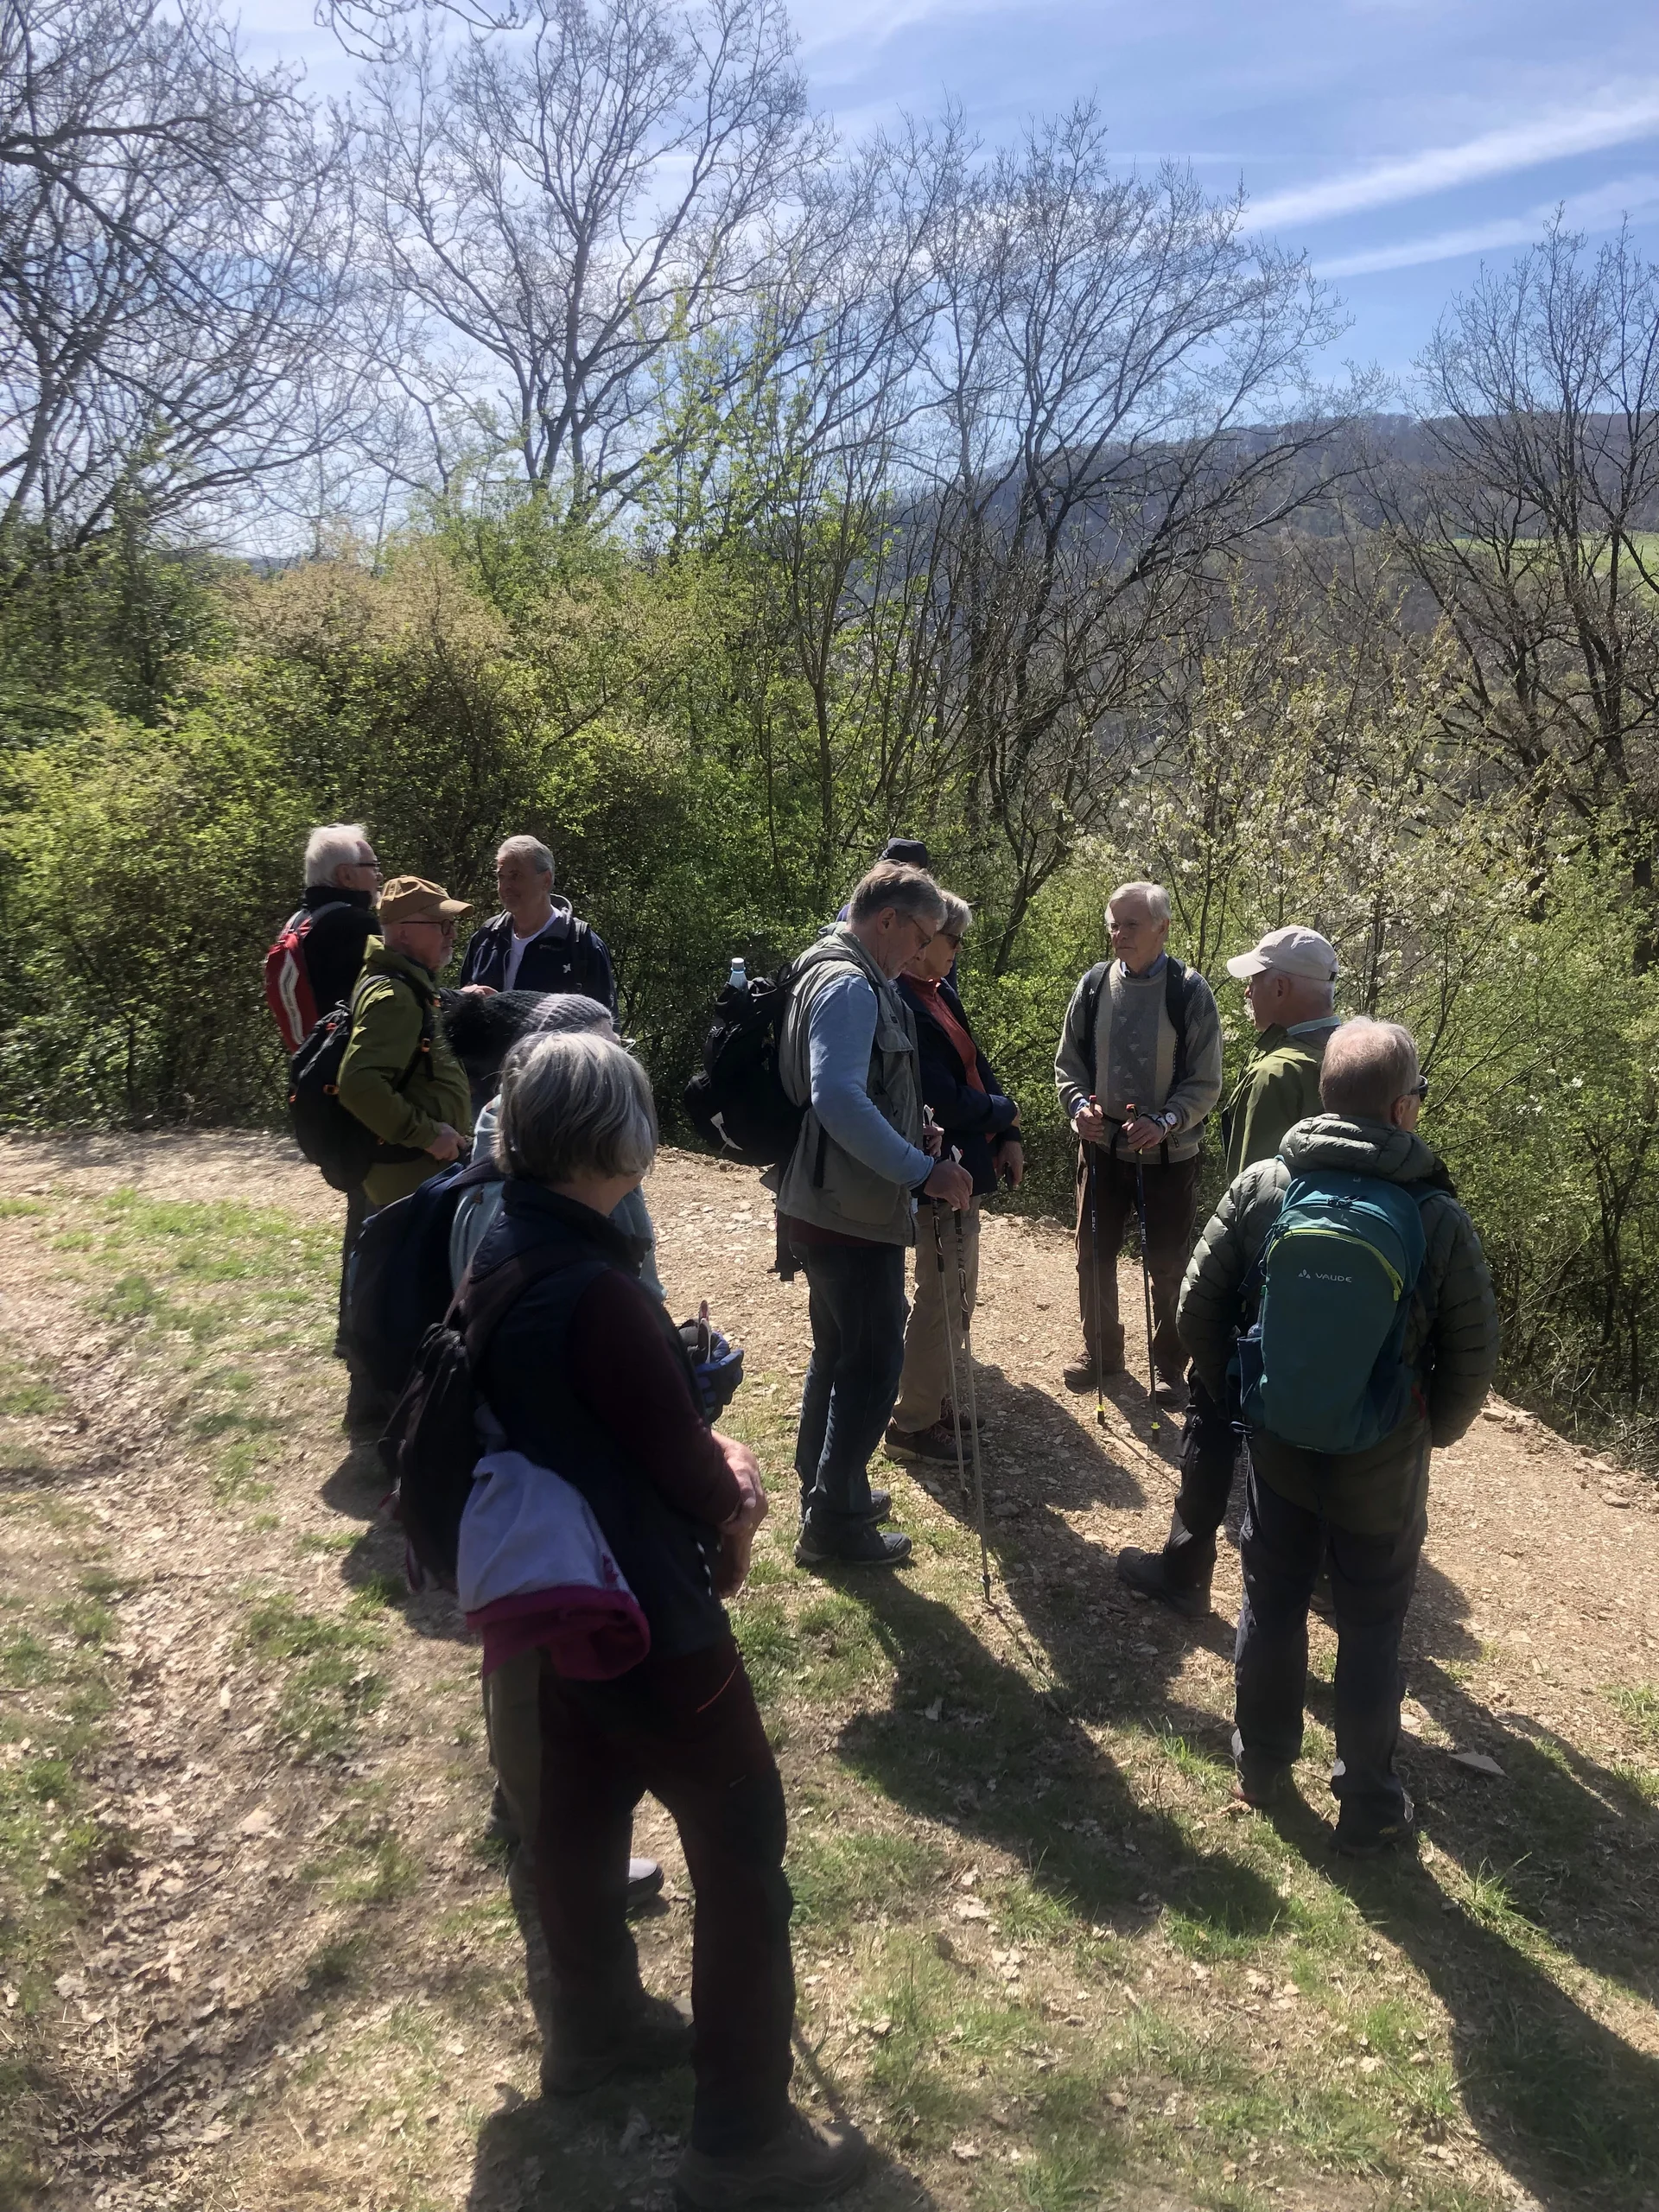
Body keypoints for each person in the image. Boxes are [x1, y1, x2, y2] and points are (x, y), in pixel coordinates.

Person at [471, 1031, 868, 2205]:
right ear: (617, 1140)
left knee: (582, 1818)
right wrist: (735, 1479)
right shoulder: (598, 1292)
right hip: (651, 1614)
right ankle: (743, 2140)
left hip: (558, 1601)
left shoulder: (500, 1245)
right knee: (744, 1845)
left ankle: (589, 2034)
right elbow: (687, 1471)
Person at [1176, 1018, 1498, 1854]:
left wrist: (1243, 1391)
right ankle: (1367, 1803)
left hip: (1279, 1443)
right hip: (1383, 1461)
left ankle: (1260, 1766)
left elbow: (1195, 1308)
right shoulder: (1434, 1212)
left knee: (1272, 1601)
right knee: (1370, 1626)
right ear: (1401, 1108)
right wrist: (1435, 1431)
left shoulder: (1263, 1185)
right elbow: (1471, 1352)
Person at [1117, 924, 1343, 1614]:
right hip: (1338, 1287)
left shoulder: (1279, 1072)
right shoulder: (1358, 1051)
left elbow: (1255, 1197)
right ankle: (1327, 1571)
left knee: (1213, 1422)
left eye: (1253, 980)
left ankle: (1185, 1569)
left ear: (1280, 987)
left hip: (1269, 1284)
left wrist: (1217, 1304)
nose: (1244, 992)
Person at [769, 861, 973, 1568]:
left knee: (840, 1357)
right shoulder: (850, 984)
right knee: (872, 1363)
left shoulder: (840, 971)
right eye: (920, 937)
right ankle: (835, 1523)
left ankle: (831, 1491)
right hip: (846, 1213)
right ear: (887, 919)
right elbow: (837, 1098)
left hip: (831, 1203)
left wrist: (910, 1122)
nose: (922, 955)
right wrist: (924, 1169)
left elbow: (861, 1089)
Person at [1053, 880, 1223, 1395]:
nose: (1118, 934)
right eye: (1113, 923)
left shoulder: (1189, 993)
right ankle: (1101, 1352)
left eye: (1130, 924)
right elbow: (1069, 1065)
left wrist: (1166, 1121)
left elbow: (1205, 1081)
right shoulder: (1093, 985)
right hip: (1101, 1147)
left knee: (1168, 1262)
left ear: (1162, 928)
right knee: (1093, 1251)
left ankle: (1170, 1365)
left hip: (1169, 1156)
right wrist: (1078, 1106)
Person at [884, 892, 1022, 1464]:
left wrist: (1007, 1131)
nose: (957, 950)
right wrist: (1003, 1112)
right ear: (921, 943)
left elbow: (975, 1064)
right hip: (935, 1173)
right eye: (951, 939)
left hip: (962, 1170)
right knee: (941, 1294)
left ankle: (934, 1397)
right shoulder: (902, 1003)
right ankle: (911, 1423)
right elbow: (940, 1096)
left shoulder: (937, 994)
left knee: (957, 1289)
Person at [276, 823, 384, 1369]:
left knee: (362, 1212)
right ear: (346, 876)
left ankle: (354, 1331)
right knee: (374, 1215)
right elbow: (389, 1000)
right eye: (371, 867)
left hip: (315, 1090)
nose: (378, 877)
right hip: (359, 1097)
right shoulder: (352, 926)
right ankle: (363, 1338)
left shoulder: (299, 924)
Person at [336, 875, 474, 1210]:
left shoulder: (402, 981)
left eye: (452, 924)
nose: (452, 934)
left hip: (417, 1174)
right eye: (442, 924)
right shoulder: (395, 995)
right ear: (403, 931)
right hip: (413, 1181)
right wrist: (427, 1135)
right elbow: (357, 1083)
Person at [457, 834, 616, 1012]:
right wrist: (466, 997)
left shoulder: (581, 944)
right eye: (501, 877)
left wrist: (505, 1008)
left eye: (515, 876)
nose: (505, 886)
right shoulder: (487, 937)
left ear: (546, 881)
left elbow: (605, 1025)